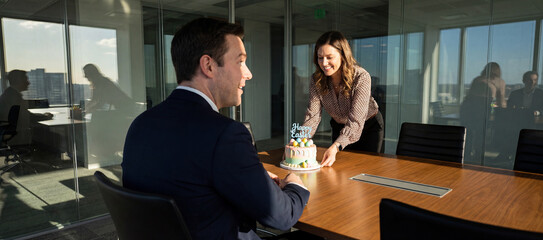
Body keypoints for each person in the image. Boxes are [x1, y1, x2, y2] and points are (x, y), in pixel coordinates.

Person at [122, 18, 310, 240]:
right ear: (209, 66)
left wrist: (250, 178)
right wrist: (296, 185)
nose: (248, 73)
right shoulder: (225, 134)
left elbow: (190, 183)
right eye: (240, 62)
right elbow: (282, 217)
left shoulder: (140, 124)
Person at [302, 31, 384, 167]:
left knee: (367, 171)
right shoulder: (316, 80)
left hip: (368, 128)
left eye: (329, 57)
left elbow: (356, 120)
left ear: (343, 56)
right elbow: (312, 116)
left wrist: (336, 146)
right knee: (338, 172)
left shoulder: (361, 77)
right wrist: (299, 141)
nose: (324, 63)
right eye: (320, 57)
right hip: (340, 127)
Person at [0, 70, 52, 145]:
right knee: (54, 138)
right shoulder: (13, 96)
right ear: (19, 81)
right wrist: (46, 116)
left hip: (12, 132)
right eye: (26, 79)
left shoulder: (10, 94)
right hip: (18, 135)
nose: (28, 83)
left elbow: (25, 114)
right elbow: (27, 117)